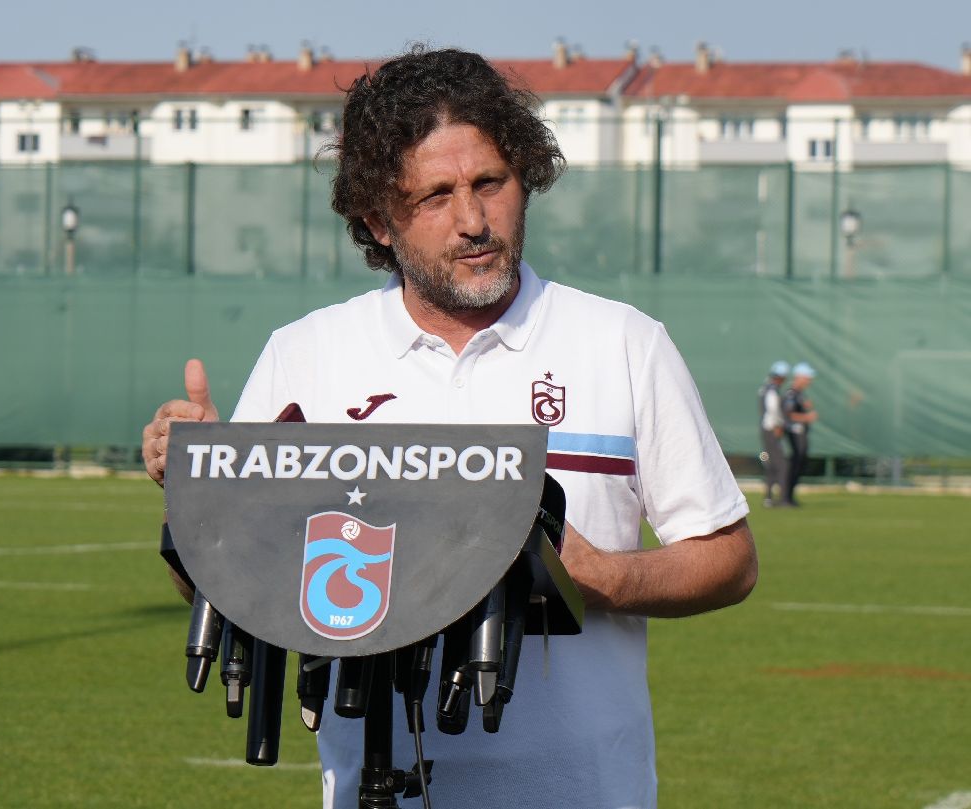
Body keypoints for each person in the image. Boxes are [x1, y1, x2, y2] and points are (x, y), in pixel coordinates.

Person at [142, 47, 757, 809]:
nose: (473, 221)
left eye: (490, 183)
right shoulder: (305, 355)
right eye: (435, 196)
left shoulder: (625, 344)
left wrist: (606, 577)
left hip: (585, 791)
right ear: (378, 220)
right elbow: (227, 588)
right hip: (373, 791)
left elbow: (729, 560)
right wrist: (202, 495)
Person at [781, 362, 818, 506]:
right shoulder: (791, 394)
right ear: (799, 377)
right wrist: (807, 417)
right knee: (793, 465)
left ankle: (790, 497)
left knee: (798, 465)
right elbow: (788, 414)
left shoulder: (800, 394)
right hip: (794, 435)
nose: (809, 380)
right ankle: (785, 498)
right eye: (807, 377)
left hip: (801, 435)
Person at [758, 360, 789, 507]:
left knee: (771, 463)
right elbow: (773, 409)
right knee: (781, 464)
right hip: (771, 429)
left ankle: (769, 498)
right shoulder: (772, 390)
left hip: (766, 429)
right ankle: (783, 498)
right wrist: (777, 425)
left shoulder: (765, 388)